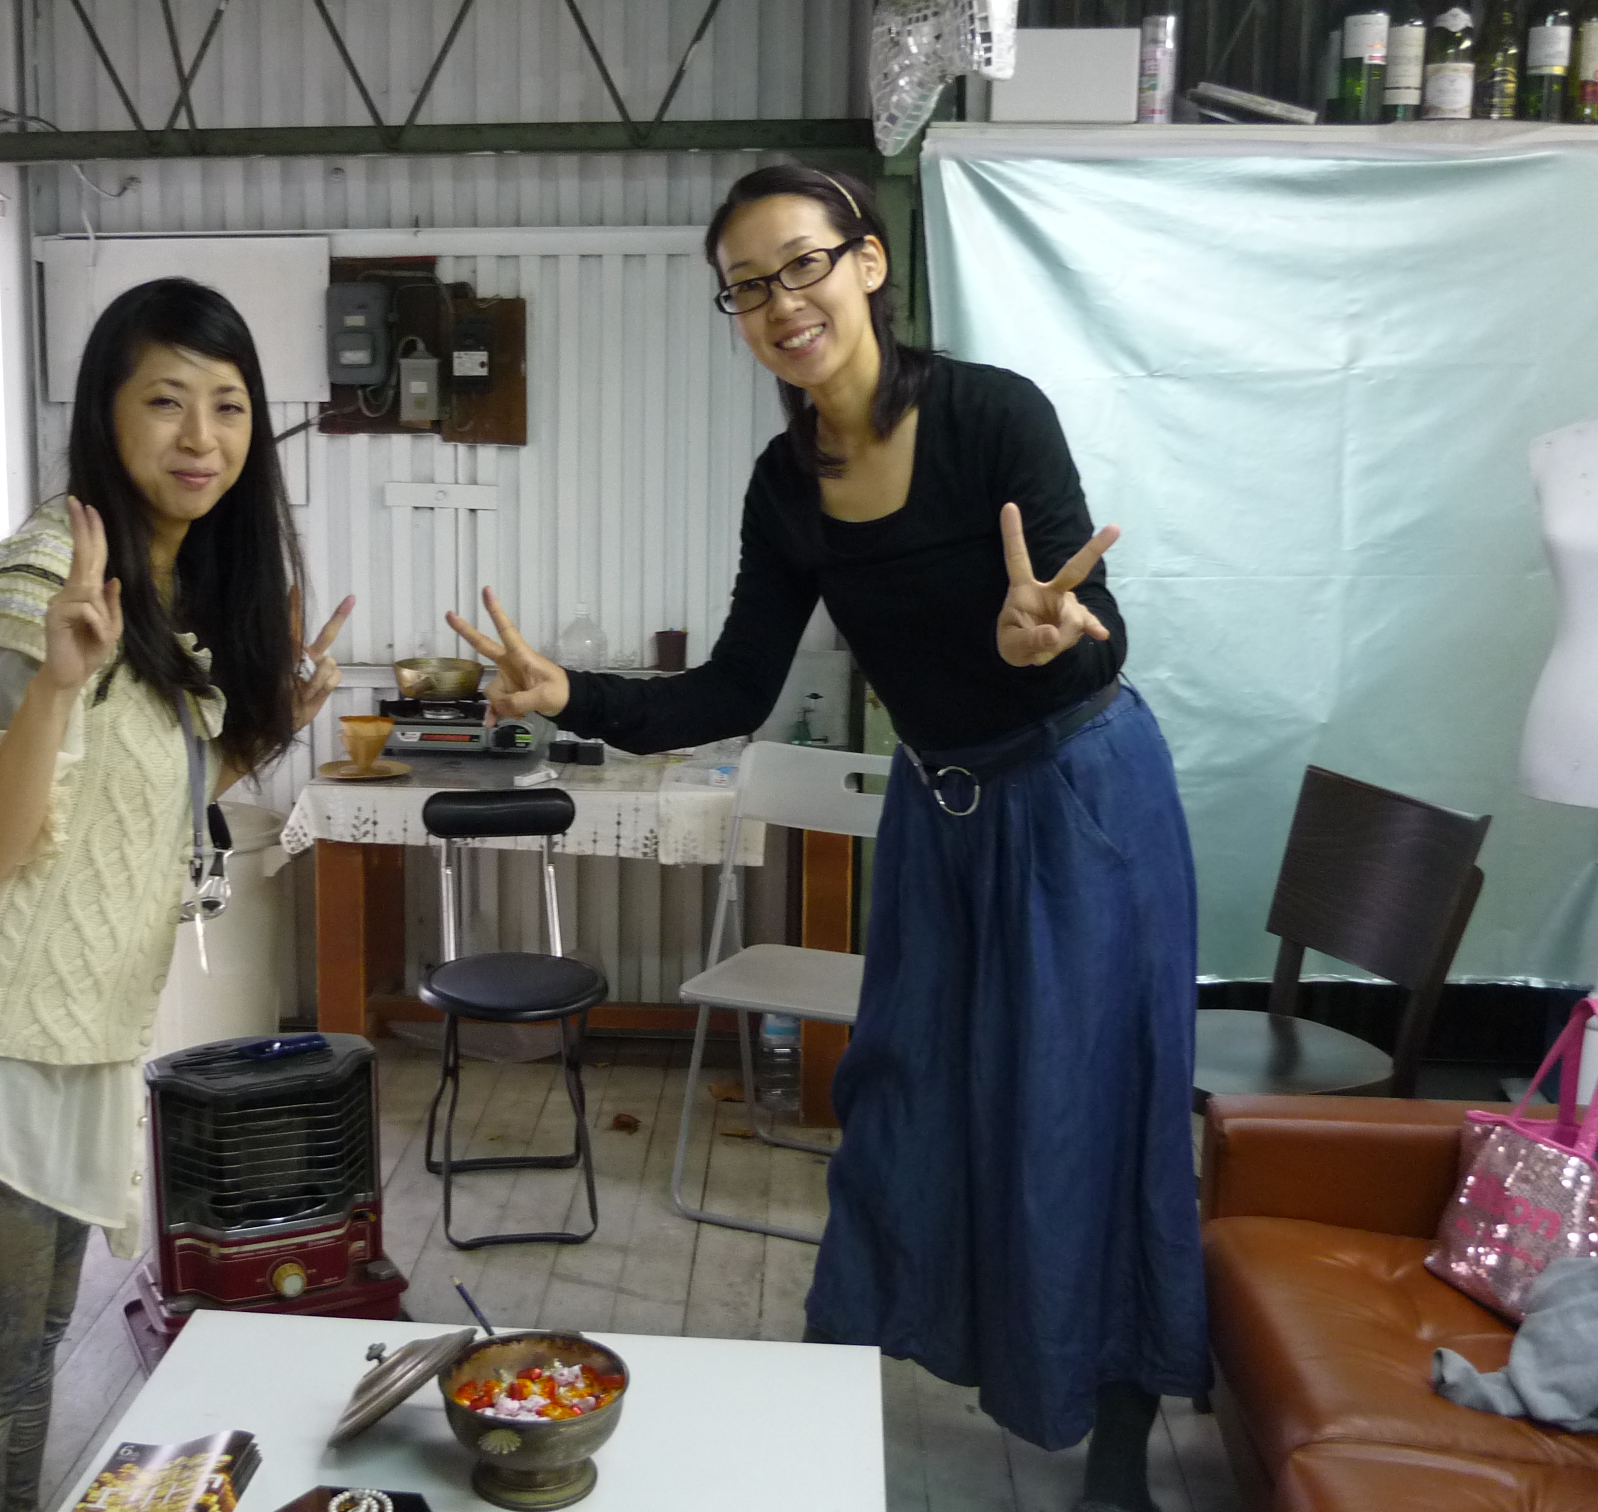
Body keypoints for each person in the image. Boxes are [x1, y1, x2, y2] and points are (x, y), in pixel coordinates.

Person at [447, 166, 1207, 1512]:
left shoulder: (990, 415)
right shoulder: (786, 486)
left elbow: (1098, 636)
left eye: (801, 264)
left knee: (1080, 1112)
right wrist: (571, 696)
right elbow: (731, 691)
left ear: (866, 263)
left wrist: (1046, 640)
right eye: (747, 286)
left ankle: (1114, 1439)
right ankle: (846, 1373)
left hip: (1077, 804)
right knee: (902, 1100)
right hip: (941, 818)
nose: (779, 302)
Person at [0, 277, 351, 1512]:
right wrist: (57, 684)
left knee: (24, 1362)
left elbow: (135, 805)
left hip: (64, 1041)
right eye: (165, 401)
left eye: (228, 406)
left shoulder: (163, 588)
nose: (200, 437)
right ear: (104, 414)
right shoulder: (39, 581)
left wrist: (274, 725)